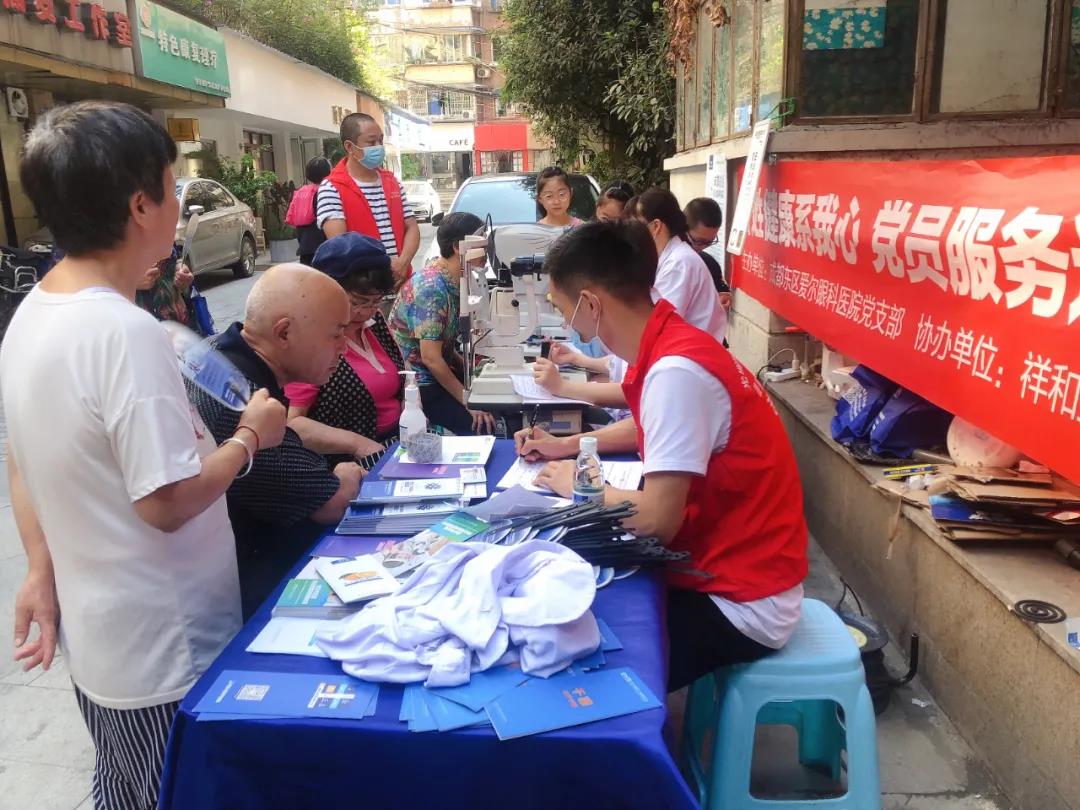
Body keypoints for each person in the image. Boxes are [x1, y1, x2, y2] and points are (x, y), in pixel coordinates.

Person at [2, 101, 287, 810]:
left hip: (109, 645)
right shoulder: (123, 333)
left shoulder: (32, 314)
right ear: (140, 205)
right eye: (171, 186)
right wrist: (250, 437)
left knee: (126, 791)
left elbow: (21, 459)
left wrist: (39, 567)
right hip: (166, 650)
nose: (177, 208)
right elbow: (164, 501)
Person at [515, 221, 808, 691]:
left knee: (569, 668)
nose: (569, 326)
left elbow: (655, 520)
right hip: (729, 566)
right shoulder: (670, 343)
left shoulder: (676, 370)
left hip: (741, 599)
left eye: (564, 310)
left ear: (591, 304)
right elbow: (662, 428)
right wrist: (568, 445)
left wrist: (580, 484)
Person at [186, 265, 366, 618]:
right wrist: (347, 472)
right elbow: (331, 501)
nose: (344, 347)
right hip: (249, 596)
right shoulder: (238, 397)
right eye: (336, 334)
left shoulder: (216, 353)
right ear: (284, 332)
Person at [285, 233, 405, 466]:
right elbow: (293, 423)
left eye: (376, 301)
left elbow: (400, 371)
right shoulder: (311, 342)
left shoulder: (374, 322)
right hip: (345, 462)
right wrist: (357, 444)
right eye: (357, 303)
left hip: (395, 442)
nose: (367, 312)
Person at [390, 212, 495, 436]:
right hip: (421, 384)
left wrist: (470, 372)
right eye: (481, 243)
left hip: (436, 374)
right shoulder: (432, 288)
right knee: (482, 427)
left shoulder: (452, 280)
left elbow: (442, 344)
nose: (486, 251)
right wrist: (468, 400)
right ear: (458, 247)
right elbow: (431, 358)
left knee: (492, 404)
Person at [317, 113, 420, 286]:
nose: (379, 147)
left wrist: (403, 263)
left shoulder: (392, 182)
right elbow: (341, 244)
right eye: (371, 142)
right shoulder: (332, 188)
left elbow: (411, 227)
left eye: (381, 140)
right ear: (350, 147)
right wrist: (383, 267)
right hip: (363, 290)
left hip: (401, 284)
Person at [684, 196, 733, 309]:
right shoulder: (663, 256)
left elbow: (721, 289)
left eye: (710, 242)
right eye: (699, 241)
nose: (703, 247)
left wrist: (724, 296)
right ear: (683, 228)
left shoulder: (710, 264)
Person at [287, 156, 333, 266]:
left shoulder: (301, 192)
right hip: (322, 247)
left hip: (304, 246)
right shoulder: (325, 192)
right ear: (328, 173)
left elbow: (291, 217)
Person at [135, 247, 196, 328]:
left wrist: (181, 270)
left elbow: (174, 258)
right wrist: (132, 282)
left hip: (182, 322)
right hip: (142, 326)